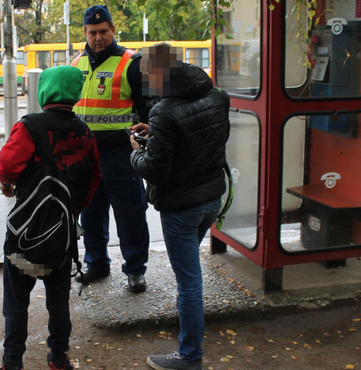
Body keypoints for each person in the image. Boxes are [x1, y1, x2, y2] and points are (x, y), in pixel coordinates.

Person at [129, 42, 231, 370]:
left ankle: (189, 356)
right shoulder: (218, 97)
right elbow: (199, 139)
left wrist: (136, 151)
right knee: (190, 277)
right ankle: (189, 337)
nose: (145, 82)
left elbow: (155, 169)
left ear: (160, 74)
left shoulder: (164, 111)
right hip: (211, 201)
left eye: (147, 75)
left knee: (189, 281)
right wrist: (155, 134)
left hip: (181, 208)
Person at [0, 65, 102, 370]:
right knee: (58, 300)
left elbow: (7, 167)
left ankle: (12, 361)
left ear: (44, 90)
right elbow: (94, 177)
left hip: (25, 236)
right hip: (62, 236)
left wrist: (7, 185)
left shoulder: (31, 126)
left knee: (16, 302)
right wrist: (72, 209)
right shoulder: (84, 131)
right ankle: (58, 357)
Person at [71, 4, 154, 293]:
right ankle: (96, 264)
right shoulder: (76, 63)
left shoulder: (132, 62)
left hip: (122, 154)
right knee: (91, 214)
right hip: (86, 155)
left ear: (113, 30)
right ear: (85, 32)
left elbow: (148, 112)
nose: (98, 38)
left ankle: (135, 270)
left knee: (130, 213)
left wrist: (144, 139)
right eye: (92, 33)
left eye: (103, 31)